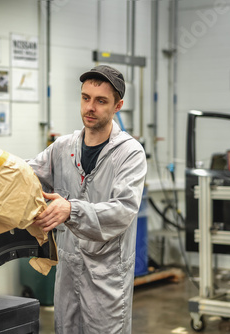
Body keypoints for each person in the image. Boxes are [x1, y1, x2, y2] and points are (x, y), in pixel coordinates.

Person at [28, 65, 147, 333]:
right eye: (85, 98)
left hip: (107, 276)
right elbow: (27, 175)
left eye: (100, 101)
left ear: (118, 106)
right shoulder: (63, 147)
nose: (90, 107)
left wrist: (71, 210)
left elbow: (123, 210)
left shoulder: (129, 154)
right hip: (69, 272)